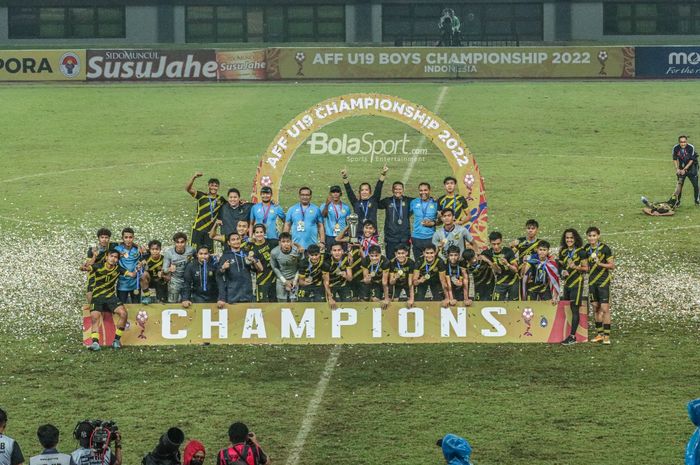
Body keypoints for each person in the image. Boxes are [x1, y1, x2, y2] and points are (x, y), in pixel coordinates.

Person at [80, 249, 131, 351]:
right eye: (111, 256)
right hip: (97, 297)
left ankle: (116, 341)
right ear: (107, 257)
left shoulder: (118, 269)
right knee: (95, 318)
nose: (113, 259)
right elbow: (83, 268)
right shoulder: (98, 266)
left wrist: (138, 269)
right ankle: (95, 343)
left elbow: (132, 274)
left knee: (124, 314)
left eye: (116, 257)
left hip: (111, 297)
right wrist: (85, 266)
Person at [557, 229, 589, 346]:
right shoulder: (563, 251)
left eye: (571, 238)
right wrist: (562, 271)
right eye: (567, 238)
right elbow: (559, 266)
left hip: (577, 283)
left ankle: (573, 336)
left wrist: (575, 267)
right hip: (567, 284)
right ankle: (568, 333)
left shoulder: (581, 252)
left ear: (575, 239)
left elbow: (586, 269)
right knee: (568, 308)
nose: (569, 240)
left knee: (574, 309)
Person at [586, 226, 615, 345]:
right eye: (590, 236)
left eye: (594, 235)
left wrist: (600, 263)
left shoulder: (605, 249)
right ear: (587, 237)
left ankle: (607, 336)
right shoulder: (586, 249)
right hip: (592, 282)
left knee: (605, 308)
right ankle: (599, 334)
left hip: (603, 282)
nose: (592, 238)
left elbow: (612, 266)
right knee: (595, 307)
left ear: (598, 236)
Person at [217, 232, 262, 306]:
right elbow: (218, 275)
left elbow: (259, 270)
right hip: (232, 295)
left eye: (238, 239)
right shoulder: (225, 256)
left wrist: (254, 261)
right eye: (233, 240)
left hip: (247, 294)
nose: (236, 241)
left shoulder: (247, 254)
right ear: (229, 242)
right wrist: (223, 268)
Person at [186, 172, 226, 251]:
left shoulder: (221, 199)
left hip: (210, 232)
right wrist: (194, 177)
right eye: (212, 185)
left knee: (209, 255)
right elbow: (188, 189)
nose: (213, 188)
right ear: (208, 186)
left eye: (216, 186)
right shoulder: (201, 196)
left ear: (218, 187)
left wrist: (241, 201)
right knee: (194, 252)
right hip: (197, 229)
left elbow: (231, 205)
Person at [340, 164, 387, 231]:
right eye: (362, 190)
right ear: (359, 192)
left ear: (370, 192)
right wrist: (344, 177)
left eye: (366, 190)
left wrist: (383, 174)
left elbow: (378, 187)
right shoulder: (355, 203)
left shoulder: (374, 201)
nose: (364, 192)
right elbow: (349, 190)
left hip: (372, 235)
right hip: (359, 235)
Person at [83, 228, 118, 311]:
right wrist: (95, 256)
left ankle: (107, 309)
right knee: (89, 293)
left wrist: (137, 246)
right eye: (102, 237)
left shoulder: (113, 245)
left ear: (109, 238)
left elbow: (125, 243)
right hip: (94, 273)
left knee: (107, 292)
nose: (104, 240)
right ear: (98, 238)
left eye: (106, 237)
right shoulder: (92, 250)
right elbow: (88, 265)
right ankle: (93, 309)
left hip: (107, 273)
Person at [378, 181, 413, 260]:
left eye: (400, 189)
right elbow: (375, 201)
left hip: (405, 238)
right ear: (392, 190)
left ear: (403, 190)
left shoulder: (408, 201)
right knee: (391, 261)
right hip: (391, 238)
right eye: (395, 189)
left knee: (405, 261)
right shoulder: (387, 201)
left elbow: (421, 201)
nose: (398, 191)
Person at [284, 187, 325, 252]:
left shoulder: (316, 209)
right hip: (295, 246)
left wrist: (322, 242)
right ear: (299, 196)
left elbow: (320, 226)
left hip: (312, 246)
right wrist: (285, 241)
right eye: (302, 195)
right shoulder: (292, 209)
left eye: (307, 195)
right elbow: (287, 225)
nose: (305, 197)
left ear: (310, 196)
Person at [482, 231, 519, 301]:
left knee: (514, 304)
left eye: (498, 244)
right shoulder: (487, 253)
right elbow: (479, 256)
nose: (496, 246)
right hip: (500, 282)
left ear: (501, 241)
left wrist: (507, 264)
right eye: (493, 244)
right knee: (497, 303)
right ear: (490, 242)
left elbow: (516, 270)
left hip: (513, 281)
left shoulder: (508, 251)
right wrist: (489, 261)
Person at [510, 219, 542, 299]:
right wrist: (511, 246)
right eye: (528, 228)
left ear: (537, 230)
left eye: (533, 228)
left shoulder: (540, 243)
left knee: (533, 296)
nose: (530, 230)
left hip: (535, 274)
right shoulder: (519, 241)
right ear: (525, 229)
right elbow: (510, 254)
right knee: (523, 295)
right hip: (522, 272)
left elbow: (546, 257)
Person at [162, 232, 195, 304]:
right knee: (173, 302)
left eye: (182, 242)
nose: (180, 245)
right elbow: (164, 269)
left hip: (188, 279)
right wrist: (169, 269)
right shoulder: (169, 253)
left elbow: (199, 257)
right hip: (175, 280)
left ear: (186, 242)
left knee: (188, 301)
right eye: (177, 242)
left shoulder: (191, 250)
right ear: (174, 243)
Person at [247, 224, 276, 302]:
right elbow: (260, 269)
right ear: (254, 234)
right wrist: (254, 260)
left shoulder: (272, 242)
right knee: (263, 304)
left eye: (261, 232)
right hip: (262, 280)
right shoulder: (253, 250)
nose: (259, 234)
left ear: (264, 233)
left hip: (274, 278)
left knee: (275, 305)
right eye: (257, 232)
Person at [270, 232, 302, 302]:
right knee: (281, 302)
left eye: (288, 241)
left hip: (294, 279)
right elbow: (274, 267)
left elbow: (301, 266)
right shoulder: (274, 252)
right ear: (279, 243)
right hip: (281, 279)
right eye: (283, 242)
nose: (286, 244)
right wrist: (284, 281)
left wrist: (295, 280)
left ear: (291, 242)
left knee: (294, 301)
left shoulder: (297, 251)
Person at [409, 182, 439, 260]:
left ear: (429, 191)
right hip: (416, 237)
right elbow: (406, 216)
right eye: (421, 190)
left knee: (431, 262)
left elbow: (441, 219)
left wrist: (433, 223)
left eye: (425, 190)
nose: (423, 192)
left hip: (430, 238)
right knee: (418, 263)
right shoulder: (414, 202)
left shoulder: (435, 203)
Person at [114, 228, 141, 304]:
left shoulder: (138, 250)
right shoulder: (117, 249)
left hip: (135, 284)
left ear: (133, 238)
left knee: (136, 307)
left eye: (130, 237)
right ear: (122, 238)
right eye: (126, 237)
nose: (128, 240)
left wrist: (140, 264)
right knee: (121, 306)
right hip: (122, 285)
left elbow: (145, 257)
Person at [321, 185, 352, 250]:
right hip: (330, 236)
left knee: (343, 256)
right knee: (330, 256)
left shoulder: (346, 207)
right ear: (330, 194)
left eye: (337, 192)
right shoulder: (324, 205)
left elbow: (349, 223)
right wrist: (327, 205)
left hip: (342, 236)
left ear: (340, 194)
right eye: (333, 192)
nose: (335, 194)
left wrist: (350, 237)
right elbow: (323, 216)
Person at [323, 243, 353, 308]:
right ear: (331, 252)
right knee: (333, 305)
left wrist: (346, 276)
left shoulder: (346, 259)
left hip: (343, 286)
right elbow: (326, 282)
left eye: (339, 250)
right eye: (334, 250)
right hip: (331, 287)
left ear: (342, 251)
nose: (337, 253)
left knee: (348, 305)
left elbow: (350, 278)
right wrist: (330, 297)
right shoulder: (327, 263)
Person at [672, 135, 698, 206]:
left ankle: (697, 201)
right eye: (681, 142)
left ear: (686, 142)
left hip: (692, 168)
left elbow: (691, 160)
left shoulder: (691, 147)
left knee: (695, 185)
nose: (683, 143)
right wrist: (677, 169)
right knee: (679, 185)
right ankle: (677, 202)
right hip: (681, 168)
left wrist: (685, 169)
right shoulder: (676, 148)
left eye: (684, 142)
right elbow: (674, 159)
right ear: (679, 142)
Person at [140, 240, 168, 305]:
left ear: (160, 249)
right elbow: (139, 264)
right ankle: (147, 296)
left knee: (161, 303)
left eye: (157, 249)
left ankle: (162, 299)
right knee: (143, 274)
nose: (155, 251)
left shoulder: (165, 259)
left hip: (161, 281)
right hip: (150, 281)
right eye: (152, 249)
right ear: (149, 250)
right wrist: (139, 266)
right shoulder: (145, 258)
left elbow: (168, 277)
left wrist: (163, 275)